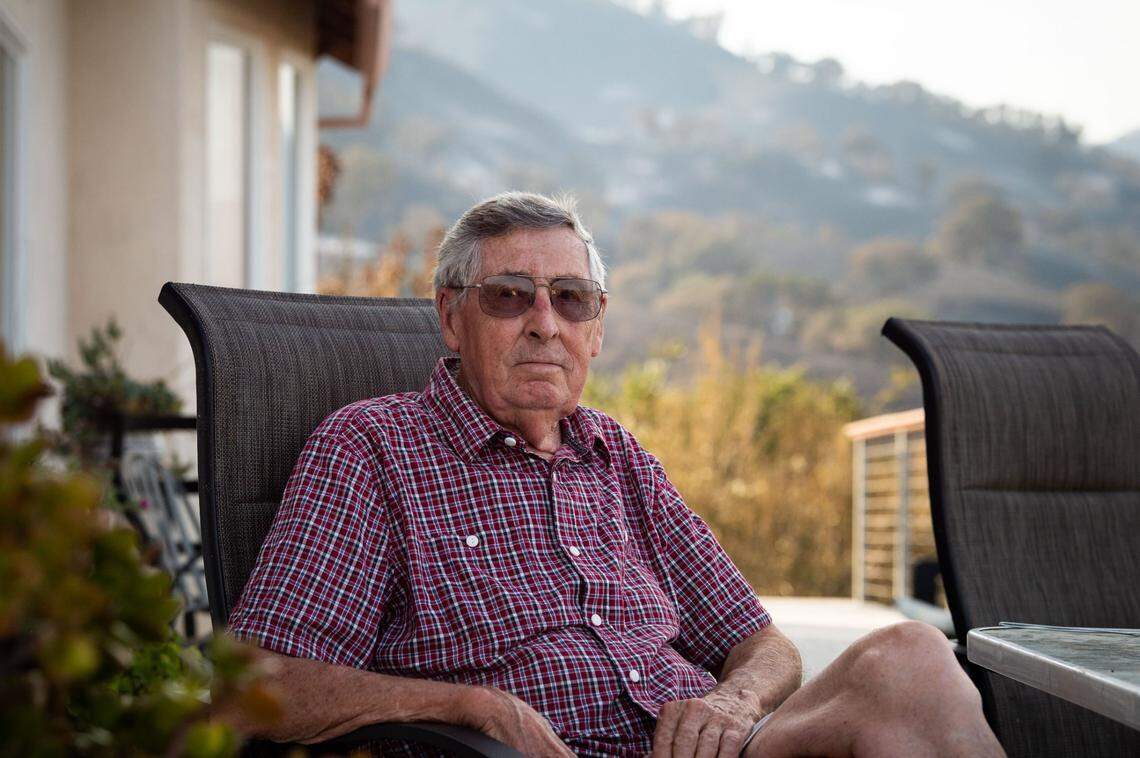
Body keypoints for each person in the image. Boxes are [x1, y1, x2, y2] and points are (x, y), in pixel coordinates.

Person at [226, 192, 1004, 757]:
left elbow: (761, 642)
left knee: (913, 657)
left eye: (571, 299)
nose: (544, 321)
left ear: (596, 331)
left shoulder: (616, 455)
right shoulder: (375, 447)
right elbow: (262, 684)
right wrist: (472, 708)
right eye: (508, 296)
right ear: (451, 318)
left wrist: (731, 702)